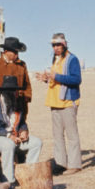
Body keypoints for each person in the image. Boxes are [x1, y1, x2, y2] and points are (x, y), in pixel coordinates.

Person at [38, 33, 82, 175]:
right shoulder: (55, 60)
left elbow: (76, 80)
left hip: (68, 101)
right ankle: (60, 163)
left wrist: (56, 76)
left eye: (58, 45)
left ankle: (75, 165)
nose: (56, 47)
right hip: (54, 101)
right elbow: (55, 81)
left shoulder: (72, 59)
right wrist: (46, 79)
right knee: (57, 135)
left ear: (64, 45)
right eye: (53, 45)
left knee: (71, 134)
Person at [0, 75, 42, 183]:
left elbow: (22, 122)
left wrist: (24, 131)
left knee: (36, 142)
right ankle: (8, 180)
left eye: (15, 91)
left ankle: (28, 175)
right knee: (8, 145)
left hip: (16, 137)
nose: (14, 93)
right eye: (10, 91)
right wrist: (9, 136)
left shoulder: (17, 103)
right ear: (4, 92)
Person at [0, 36, 33, 105]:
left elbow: (27, 85)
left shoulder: (22, 65)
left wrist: (26, 97)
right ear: (6, 51)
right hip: (2, 104)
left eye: (17, 52)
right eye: (14, 52)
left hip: (20, 104)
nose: (17, 54)